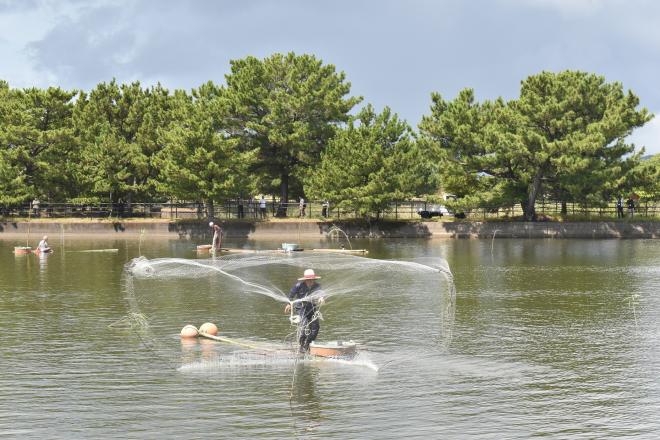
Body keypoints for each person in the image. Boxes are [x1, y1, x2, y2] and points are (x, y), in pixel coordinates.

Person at [284, 269, 324, 353]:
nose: (310, 281)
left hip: (312, 308)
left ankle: (308, 344)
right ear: (305, 280)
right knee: (303, 324)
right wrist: (288, 304)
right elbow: (291, 295)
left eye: (312, 279)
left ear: (314, 279)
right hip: (301, 308)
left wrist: (321, 298)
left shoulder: (317, 286)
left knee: (316, 327)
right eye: (309, 280)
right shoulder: (298, 285)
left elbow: (320, 294)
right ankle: (301, 345)